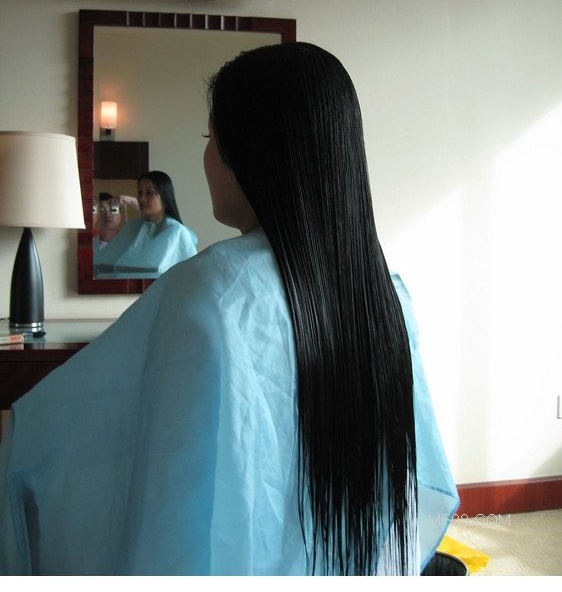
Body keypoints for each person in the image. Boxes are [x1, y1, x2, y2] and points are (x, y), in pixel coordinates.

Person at [0, 42, 458, 575]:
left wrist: (21, 435)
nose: (206, 157)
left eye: (209, 138)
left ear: (249, 151)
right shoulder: (387, 293)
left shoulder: (211, 291)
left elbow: (86, 438)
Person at [93, 170, 198, 278]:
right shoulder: (131, 226)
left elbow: (189, 275)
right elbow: (103, 261)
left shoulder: (176, 232)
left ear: (164, 195)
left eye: (149, 192)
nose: (142, 198)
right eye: (140, 193)